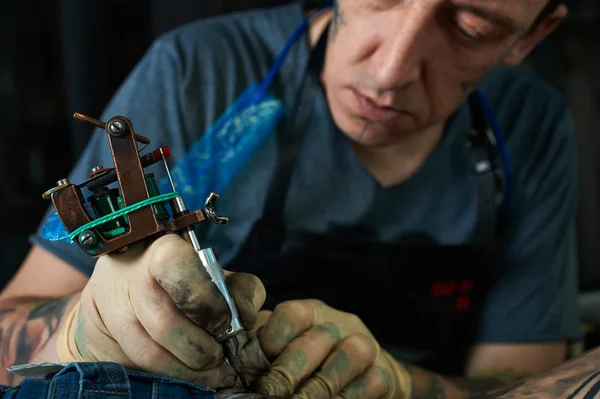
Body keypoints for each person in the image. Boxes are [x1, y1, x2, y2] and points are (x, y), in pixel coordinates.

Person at [0, 0, 581, 398]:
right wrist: (79, 329)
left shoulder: (528, 127)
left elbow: (525, 385)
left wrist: (402, 385)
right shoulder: (199, 74)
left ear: (531, 35)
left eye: (472, 29)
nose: (390, 70)